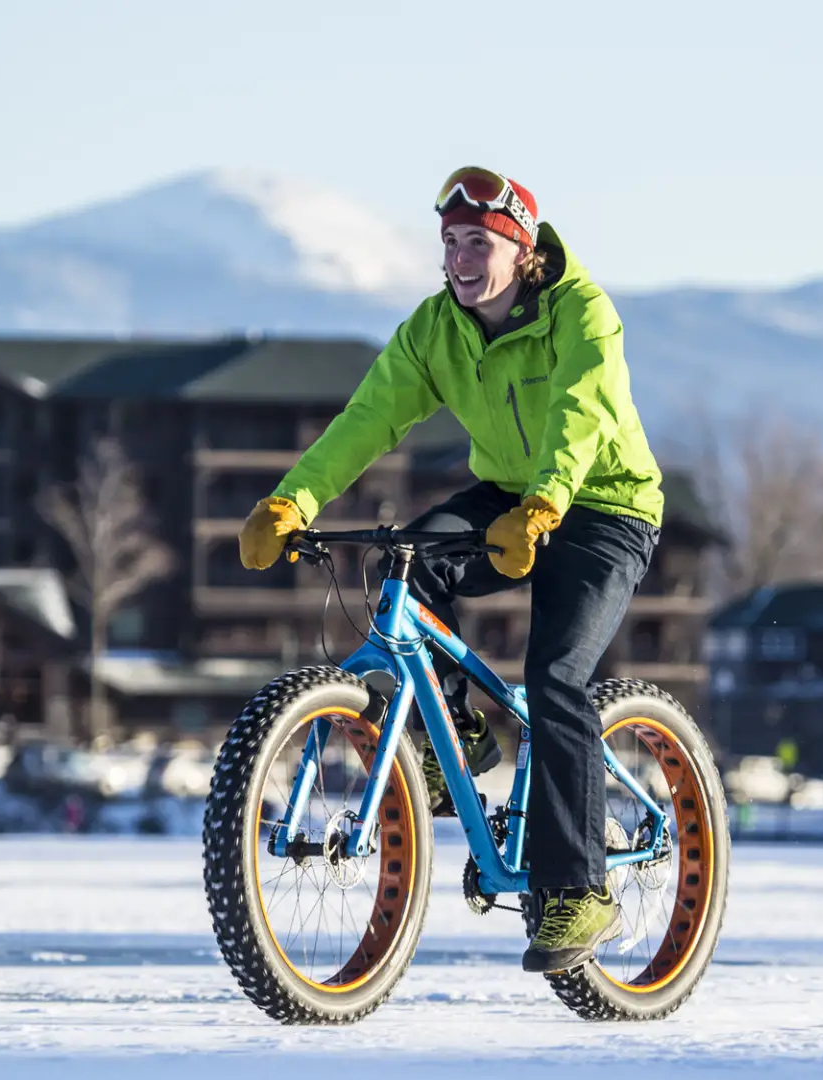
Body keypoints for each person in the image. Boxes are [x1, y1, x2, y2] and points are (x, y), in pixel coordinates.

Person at [237, 166, 665, 974]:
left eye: (478, 242)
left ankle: (581, 890)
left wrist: (544, 507)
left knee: (556, 675)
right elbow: (369, 418)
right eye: (450, 243)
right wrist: (292, 502)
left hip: (606, 504)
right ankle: (456, 737)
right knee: (412, 559)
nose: (460, 258)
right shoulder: (437, 328)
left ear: (521, 248)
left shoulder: (583, 313)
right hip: (509, 492)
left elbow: (581, 413)